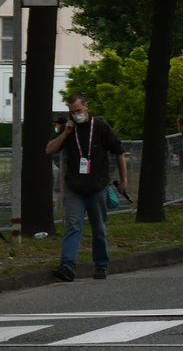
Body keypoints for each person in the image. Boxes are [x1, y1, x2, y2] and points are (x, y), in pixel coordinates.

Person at [45, 93, 130, 281]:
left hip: (97, 187)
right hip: (74, 188)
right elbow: (49, 149)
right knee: (73, 226)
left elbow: (119, 152)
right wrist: (65, 132)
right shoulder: (69, 129)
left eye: (79, 110)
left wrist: (123, 180)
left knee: (99, 228)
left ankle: (101, 265)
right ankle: (67, 265)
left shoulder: (100, 127)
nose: (76, 115)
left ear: (86, 106)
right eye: (72, 112)